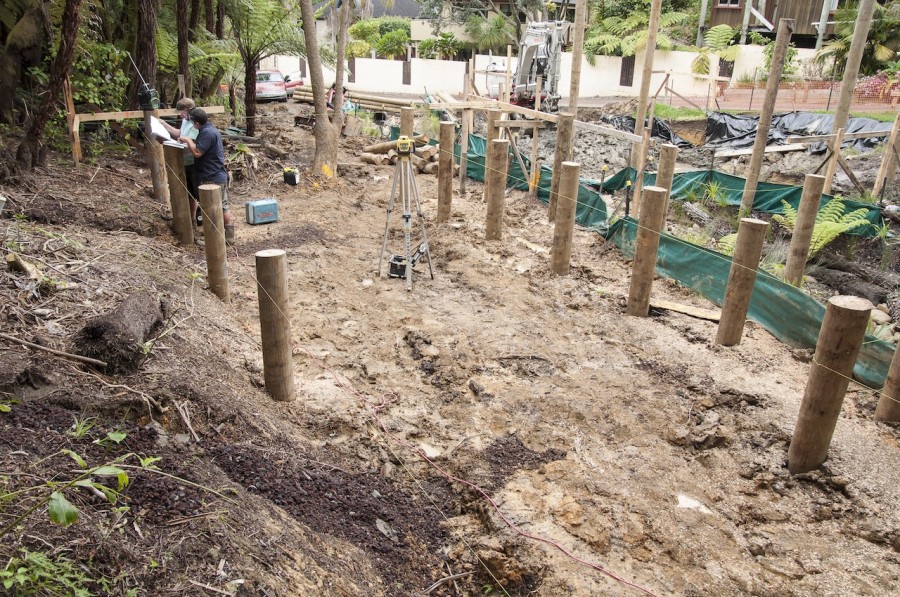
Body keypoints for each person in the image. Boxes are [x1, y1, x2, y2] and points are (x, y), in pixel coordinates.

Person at [179, 107, 235, 244]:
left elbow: (197, 152)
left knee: (213, 208)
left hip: (211, 176)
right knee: (222, 206)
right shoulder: (209, 130)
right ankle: (227, 237)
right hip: (215, 174)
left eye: (192, 122)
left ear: (196, 122)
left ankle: (216, 239)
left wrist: (187, 140)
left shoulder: (207, 133)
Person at [159, 98, 200, 226]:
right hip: (184, 161)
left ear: (189, 110)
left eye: (182, 112)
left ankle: (198, 219)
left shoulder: (195, 123)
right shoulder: (185, 121)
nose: (180, 115)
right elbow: (179, 134)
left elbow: (191, 142)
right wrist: (165, 125)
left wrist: (182, 142)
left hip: (193, 162)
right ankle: (190, 219)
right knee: (188, 192)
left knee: (196, 192)